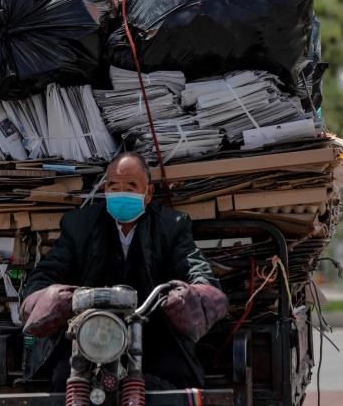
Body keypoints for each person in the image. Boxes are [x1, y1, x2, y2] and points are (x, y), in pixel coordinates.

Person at [19, 151, 228, 391]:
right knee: (64, 379)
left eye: (130, 186)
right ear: (105, 191)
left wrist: (190, 295)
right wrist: (51, 296)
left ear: (148, 193)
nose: (121, 193)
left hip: (156, 336)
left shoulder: (172, 225)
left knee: (177, 378)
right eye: (113, 186)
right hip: (90, 335)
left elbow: (196, 269)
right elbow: (47, 273)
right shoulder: (79, 225)